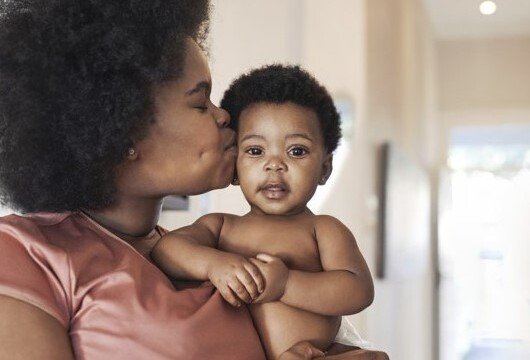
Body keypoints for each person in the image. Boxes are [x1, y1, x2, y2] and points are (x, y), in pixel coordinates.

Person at [0, 0, 388, 359]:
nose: (224, 117)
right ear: (124, 130)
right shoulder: (26, 253)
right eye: (201, 103)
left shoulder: (206, 253)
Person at [152, 65, 374, 359]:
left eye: (296, 151)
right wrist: (213, 265)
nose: (274, 164)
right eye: (256, 151)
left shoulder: (323, 230)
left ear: (324, 168)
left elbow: (357, 290)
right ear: (234, 166)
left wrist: (286, 284)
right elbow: (167, 249)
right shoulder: (221, 227)